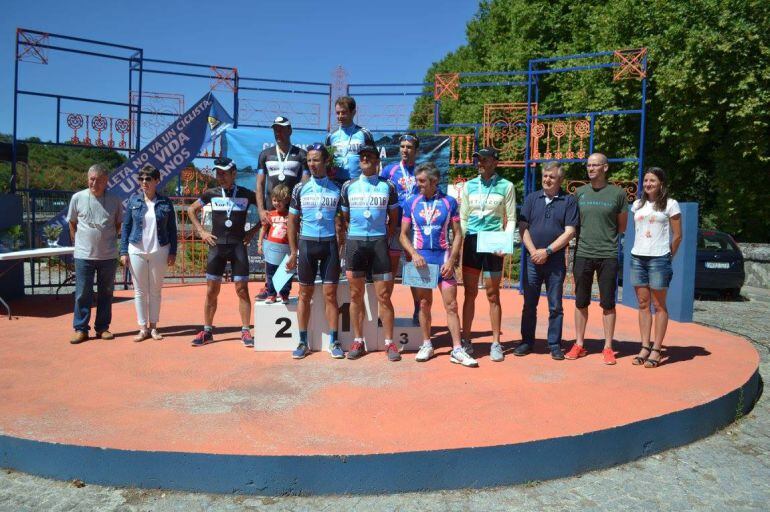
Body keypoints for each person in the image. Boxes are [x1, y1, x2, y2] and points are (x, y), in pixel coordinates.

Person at [400, 163, 477, 367]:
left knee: (451, 305)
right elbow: (402, 235)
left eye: (422, 181)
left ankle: (458, 349)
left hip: (443, 260)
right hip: (421, 261)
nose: (418, 185)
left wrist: (452, 260)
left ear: (434, 182)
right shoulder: (411, 202)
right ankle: (427, 344)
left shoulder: (449, 202)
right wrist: (414, 254)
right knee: (424, 304)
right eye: (417, 181)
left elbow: (459, 234)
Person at [187, 157, 259, 347]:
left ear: (234, 174)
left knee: (242, 290)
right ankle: (208, 331)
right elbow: (191, 210)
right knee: (212, 291)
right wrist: (201, 232)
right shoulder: (211, 193)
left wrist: (252, 232)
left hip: (238, 246)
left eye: (224, 173)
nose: (220, 177)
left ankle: (245, 331)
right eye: (218, 173)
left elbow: (265, 212)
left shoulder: (245, 194)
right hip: (216, 247)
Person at [566, 153, 628, 365]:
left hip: (608, 255)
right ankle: (579, 344)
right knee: (580, 301)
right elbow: (573, 224)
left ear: (605, 167)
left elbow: (622, 226)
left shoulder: (618, 194)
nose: (591, 168)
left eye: (595, 165)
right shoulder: (579, 193)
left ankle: (608, 347)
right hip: (583, 253)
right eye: (589, 165)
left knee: (608, 303)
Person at [340, 144, 400, 362]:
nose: (365, 159)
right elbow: (345, 218)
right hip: (355, 243)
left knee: (384, 296)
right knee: (355, 295)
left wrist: (384, 235)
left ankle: (389, 343)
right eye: (362, 156)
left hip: (378, 243)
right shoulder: (348, 186)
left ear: (377, 161)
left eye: (370, 156)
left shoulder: (388, 186)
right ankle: (358, 340)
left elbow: (394, 218)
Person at [285, 143, 344, 359]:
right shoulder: (300, 189)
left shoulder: (338, 188)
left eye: (316, 159)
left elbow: (342, 222)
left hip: (329, 246)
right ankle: (302, 342)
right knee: (304, 294)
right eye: (309, 160)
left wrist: (341, 246)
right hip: (307, 245)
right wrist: (293, 251)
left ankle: (334, 340)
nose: (312, 164)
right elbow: (292, 221)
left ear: (326, 161)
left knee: (330, 295)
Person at [516, 162, 578, 360]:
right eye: (545, 176)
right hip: (532, 259)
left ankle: (554, 344)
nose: (547, 179)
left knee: (555, 306)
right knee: (529, 304)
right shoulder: (532, 198)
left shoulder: (569, 201)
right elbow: (523, 228)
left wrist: (548, 251)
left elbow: (570, 232)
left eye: (552, 176)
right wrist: (534, 251)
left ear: (560, 180)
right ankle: (526, 341)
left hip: (555, 261)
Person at [459, 147, 516, 362]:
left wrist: (505, 243)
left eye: (484, 159)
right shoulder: (469, 186)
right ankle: (466, 340)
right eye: (477, 159)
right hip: (473, 241)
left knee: (493, 294)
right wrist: (466, 237)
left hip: (494, 243)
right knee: (469, 293)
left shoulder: (506, 186)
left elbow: (510, 218)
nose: (479, 162)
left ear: (494, 161)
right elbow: (463, 216)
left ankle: (495, 343)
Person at [630, 167, 682, 368]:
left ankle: (657, 349)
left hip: (659, 259)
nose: (648, 184)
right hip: (637, 258)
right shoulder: (637, 204)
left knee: (659, 306)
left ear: (661, 183)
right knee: (643, 304)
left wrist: (668, 256)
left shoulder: (671, 204)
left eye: (652, 180)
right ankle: (645, 346)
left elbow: (678, 235)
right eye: (645, 180)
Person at [119, 165, 178, 342]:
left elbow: (172, 230)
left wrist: (173, 252)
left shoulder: (165, 203)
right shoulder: (134, 201)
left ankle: (154, 327)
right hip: (136, 249)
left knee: (155, 291)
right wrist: (123, 251)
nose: (144, 182)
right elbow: (126, 227)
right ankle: (142, 328)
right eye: (141, 179)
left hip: (159, 249)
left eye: (148, 179)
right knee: (139, 291)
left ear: (156, 181)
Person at [67, 163, 123, 344]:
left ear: (106, 182)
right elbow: (72, 223)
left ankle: (102, 328)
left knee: (106, 293)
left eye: (99, 180)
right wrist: (78, 243)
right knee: (83, 293)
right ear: (87, 179)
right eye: (92, 179)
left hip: (108, 256)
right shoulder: (77, 198)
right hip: (84, 256)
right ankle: (81, 329)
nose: (94, 183)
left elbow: (118, 224)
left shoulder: (115, 200)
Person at [255, 116, 308, 301]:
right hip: (272, 212)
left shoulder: (301, 155)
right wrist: (261, 210)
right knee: (271, 253)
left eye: (282, 129)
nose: (279, 133)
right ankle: (269, 289)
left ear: (290, 130)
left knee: (289, 253)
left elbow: (305, 185)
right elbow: (260, 185)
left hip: (292, 214)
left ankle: (283, 291)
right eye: (276, 129)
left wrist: (302, 212)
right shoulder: (265, 154)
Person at [380, 133, 421, 323]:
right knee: (391, 268)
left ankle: (418, 310)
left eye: (409, 147)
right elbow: (379, 192)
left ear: (416, 150)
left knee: (415, 268)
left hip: (416, 227)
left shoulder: (422, 171)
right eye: (403, 146)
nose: (405, 150)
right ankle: (384, 310)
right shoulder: (390, 170)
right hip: (396, 227)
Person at [325, 96, 376, 184]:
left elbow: (374, 160)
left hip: (359, 182)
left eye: (344, 112)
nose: (340, 116)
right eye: (338, 113)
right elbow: (327, 161)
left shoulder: (364, 133)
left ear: (353, 112)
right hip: (336, 182)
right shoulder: (331, 136)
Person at [257, 184, 292, 304]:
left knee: (285, 272)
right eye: (274, 200)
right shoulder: (270, 215)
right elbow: (264, 229)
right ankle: (271, 294)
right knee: (270, 272)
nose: (276, 203)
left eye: (280, 201)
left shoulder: (291, 215)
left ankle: (284, 294)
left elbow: (295, 232)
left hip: (286, 249)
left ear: (287, 200)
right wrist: (260, 243)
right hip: (271, 248)